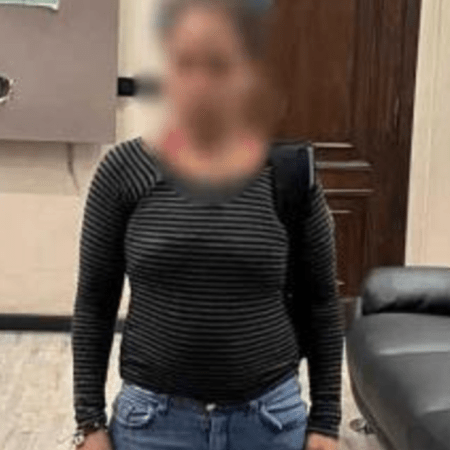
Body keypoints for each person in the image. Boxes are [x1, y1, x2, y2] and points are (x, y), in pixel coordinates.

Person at [71, 0, 345, 449]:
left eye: (219, 65)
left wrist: (325, 423)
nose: (201, 83)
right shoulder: (124, 171)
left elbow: (321, 304)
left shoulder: (290, 175)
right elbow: (94, 304)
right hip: (152, 425)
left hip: (269, 423)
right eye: (186, 64)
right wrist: (90, 423)